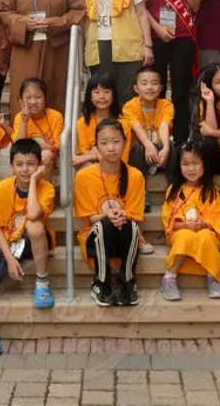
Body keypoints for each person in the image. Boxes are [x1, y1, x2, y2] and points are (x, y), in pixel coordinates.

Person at [0, 138, 56, 362]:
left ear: (39, 166)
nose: (25, 169)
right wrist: (8, 258)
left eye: (31, 164)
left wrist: (34, 181)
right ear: (12, 166)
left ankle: (42, 283)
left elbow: (34, 214)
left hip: (36, 242)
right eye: (20, 164)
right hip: (9, 242)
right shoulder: (4, 187)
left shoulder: (46, 188)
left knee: (34, 227)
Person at [0, 0, 85, 116]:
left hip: (56, 48)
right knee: (24, 93)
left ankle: (56, 140)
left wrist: (54, 23)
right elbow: (3, 12)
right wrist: (23, 23)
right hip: (25, 47)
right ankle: (23, 140)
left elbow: (79, 10)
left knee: (54, 93)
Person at [140, 0, 200, 147]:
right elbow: (141, 7)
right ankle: (155, 137)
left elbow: (194, 7)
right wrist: (157, 28)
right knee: (155, 89)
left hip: (183, 35)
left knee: (181, 89)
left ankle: (181, 138)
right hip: (155, 36)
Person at [74, 119, 146, 307]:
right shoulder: (84, 176)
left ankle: (127, 280)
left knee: (129, 225)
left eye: (116, 141)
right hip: (95, 238)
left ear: (125, 143)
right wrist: (108, 216)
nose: (111, 148)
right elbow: (89, 218)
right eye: (104, 143)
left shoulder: (135, 176)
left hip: (124, 235)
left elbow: (134, 216)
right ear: (96, 147)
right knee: (104, 224)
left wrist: (120, 216)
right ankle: (101, 282)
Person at [160, 141, 220, 301]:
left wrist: (203, 224)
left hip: (206, 231)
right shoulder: (174, 191)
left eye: (196, 163)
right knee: (185, 236)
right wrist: (185, 225)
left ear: (204, 165)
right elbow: (169, 221)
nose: (191, 168)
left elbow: (218, 219)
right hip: (181, 231)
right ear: (179, 166)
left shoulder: (211, 192)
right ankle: (169, 277)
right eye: (186, 164)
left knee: (205, 236)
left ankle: (214, 276)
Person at [123, 66, 174, 186]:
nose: (149, 87)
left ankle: (172, 188)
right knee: (138, 148)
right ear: (136, 88)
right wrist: (148, 145)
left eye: (154, 83)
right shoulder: (130, 106)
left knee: (172, 147)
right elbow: (136, 127)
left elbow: (164, 125)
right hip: (140, 152)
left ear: (161, 87)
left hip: (160, 151)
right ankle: (141, 189)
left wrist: (166, 147)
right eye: (144, 83)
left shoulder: (166, 105)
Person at [10, 78, 63, 177]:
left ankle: (43, 189)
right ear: (21, 101)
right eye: (28, 98)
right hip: (26, 156)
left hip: (50, 157)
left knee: (46, 155)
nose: (33, 102)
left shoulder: (56, 116)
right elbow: (18, 145)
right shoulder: (19, 118)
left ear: (45, 98)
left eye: (38, 97)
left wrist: (39, 147)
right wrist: (24, 121)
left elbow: (56, 146)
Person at [73, 73, 126, 168]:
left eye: (106, 92)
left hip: (118, 166)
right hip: (92, 165)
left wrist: (93, 153)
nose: (102, 96)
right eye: (97, 92)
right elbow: (84, 151)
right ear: (90, 97)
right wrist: (90, 157)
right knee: (87, 166)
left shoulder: (123, 123)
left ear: (113, 95)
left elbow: (122, 155)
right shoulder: (83, 123)